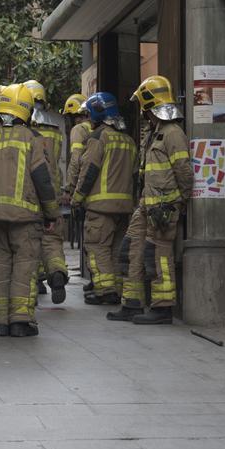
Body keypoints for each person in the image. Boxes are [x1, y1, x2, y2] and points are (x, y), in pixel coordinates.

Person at [0, 84, 60, 337]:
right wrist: (51, 214)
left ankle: (0, 323)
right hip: (25, 219)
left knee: (0, 269)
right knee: (24, 269)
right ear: (25, 110)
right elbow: (43, 180)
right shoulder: (31, 139)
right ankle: (20, 321)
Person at [108, 75, 192, 325]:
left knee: (158, 256)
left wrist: (182, 200)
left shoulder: (173, 133)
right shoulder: (153, 133)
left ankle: (162, 307)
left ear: (150, 104)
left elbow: (184, 171)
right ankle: (132, 303)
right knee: (131, 250)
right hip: (147, 205)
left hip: (163, 208)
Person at [70, 92, 136, 306]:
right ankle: (116, 289)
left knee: (98, 248)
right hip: (124, 207)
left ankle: (105, 290)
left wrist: (76, 198)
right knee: (116, 250)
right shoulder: (129, 140)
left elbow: (88, 171)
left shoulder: (99, 137)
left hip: (100, 206)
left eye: (89, 114)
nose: (88, 118)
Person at [23, 80, 68, 304]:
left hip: (30, 190)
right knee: (52, 239)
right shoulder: (55, 129)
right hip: (52, 190)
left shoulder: (24, 129)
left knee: (30, 239)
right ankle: (57, 272)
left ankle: (37, 281)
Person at [60, 93, 91, 290]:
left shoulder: (79, 130)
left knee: (94, 242)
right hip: (102, 188)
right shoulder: (101, 129)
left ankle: (102, 286)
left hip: (86, 191)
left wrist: (70, 189)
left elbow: (76, 160)